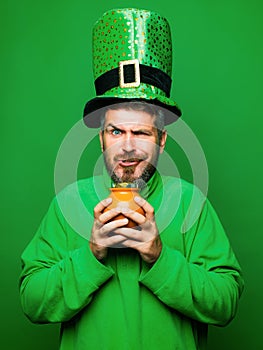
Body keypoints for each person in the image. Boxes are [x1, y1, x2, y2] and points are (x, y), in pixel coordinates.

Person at [19, 8, 244, 350]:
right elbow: (31, 302)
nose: (127, 147)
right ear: (101, 137)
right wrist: (91, 253)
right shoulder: (67, 203)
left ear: (161, 140)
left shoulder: (190, 203)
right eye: (116, 131)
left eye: (140, 132)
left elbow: (226, 302)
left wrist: (159, 256)